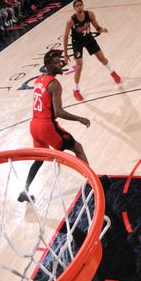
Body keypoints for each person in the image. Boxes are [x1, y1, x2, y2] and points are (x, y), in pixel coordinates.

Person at [18, 49, 91, 203]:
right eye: (56, 62)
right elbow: (58, 112)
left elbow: (46, 103)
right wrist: (79, 118)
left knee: (39, 160)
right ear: (48, 65)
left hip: (34, 126)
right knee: (77, 148)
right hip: (46, 126)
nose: (60, 64)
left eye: (60, 61)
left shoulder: (39, 80)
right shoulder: (55, 84)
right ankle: (93, 182)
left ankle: (24, 190)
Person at [62, 0, 120, 101]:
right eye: (77, 6)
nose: (79, 7)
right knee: (79, 66)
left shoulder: (90, 14)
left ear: (83, 5)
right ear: (74, 8)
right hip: (77, 43)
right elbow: (66, 36)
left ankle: (113, 73)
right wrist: (66, 54)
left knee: (102, 58)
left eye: (80, 5)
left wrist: (101, 29)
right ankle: (76, 90)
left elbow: (96, 27)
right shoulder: (70, 21)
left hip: (89, 39)